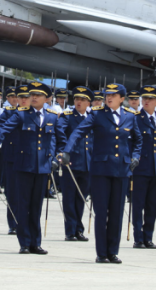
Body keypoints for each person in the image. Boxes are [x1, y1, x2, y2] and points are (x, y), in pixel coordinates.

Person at [60, 83, 142, 264]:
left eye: (113, 95)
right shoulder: (96, 114)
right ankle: (102, 253)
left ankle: (113, 252)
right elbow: (78, 132)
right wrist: (67, 151)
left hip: (121, 170)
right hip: (101, 170)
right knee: (101, 212)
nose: (109, 98)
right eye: (107, 95)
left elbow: (138, 140)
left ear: (122, 98)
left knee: (117, 212)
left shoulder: (130, 116)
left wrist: (136, 156)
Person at [0, 81, 59, 255]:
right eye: (31, 95)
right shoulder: (21, 115)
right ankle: (24, 243)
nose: (33, 98)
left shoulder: (52, 116)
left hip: (42, 167)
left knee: (36, 206)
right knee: (22, 205)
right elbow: (2, 130)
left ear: (46, 99)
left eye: (38, 95)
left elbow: (57, 139)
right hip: (23, 166)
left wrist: (58, 156)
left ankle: (36, 242)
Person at [131, 86, 156, 249]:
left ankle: (148, 236)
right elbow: (131, 141)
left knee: (153, 204)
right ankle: (138, 238)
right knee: (138, 203)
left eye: (150, 99)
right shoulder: (135, 118)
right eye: (144, 98)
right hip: (140, 167)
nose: (146, 101)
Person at [55, 85, 93, 242]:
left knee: (81, 197)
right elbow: (60, 134)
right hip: (70, 162)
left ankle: (79, 229)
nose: (79, 102)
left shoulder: (92, 117)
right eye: (77, 99)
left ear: (88, 103)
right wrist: (62, 153)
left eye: (83, 100)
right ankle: (70, 230)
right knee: (69, 197)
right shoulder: (67, 116)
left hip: (87, 162)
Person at [0, 86, 23, 235]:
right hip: (11, 156)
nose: (19, 99)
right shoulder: (9, 113)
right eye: (17, 96)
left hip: (28, 157)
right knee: (12, 192)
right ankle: (14, 223)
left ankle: (24, 222)